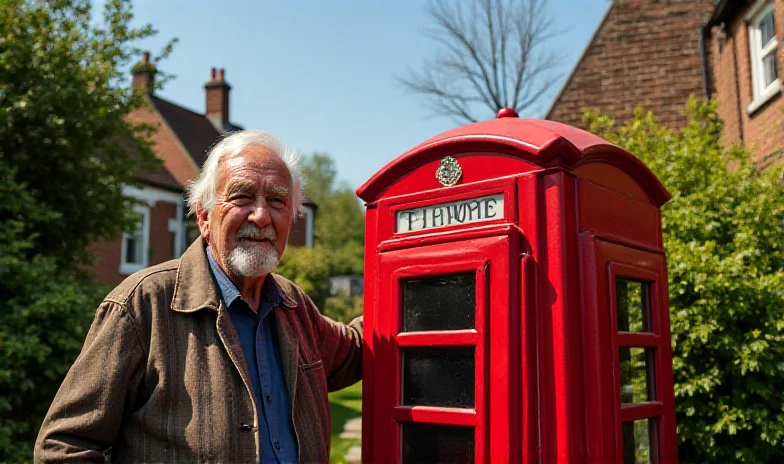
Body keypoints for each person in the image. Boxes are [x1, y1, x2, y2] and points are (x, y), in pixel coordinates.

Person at [34, 131, 363, 463]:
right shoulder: (143, 305)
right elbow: (63, 447)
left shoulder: (294, 306)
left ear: (290, 220)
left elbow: (362, 348)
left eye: (277, 201)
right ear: (204, 217)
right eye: (242, 197)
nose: (261, 216)